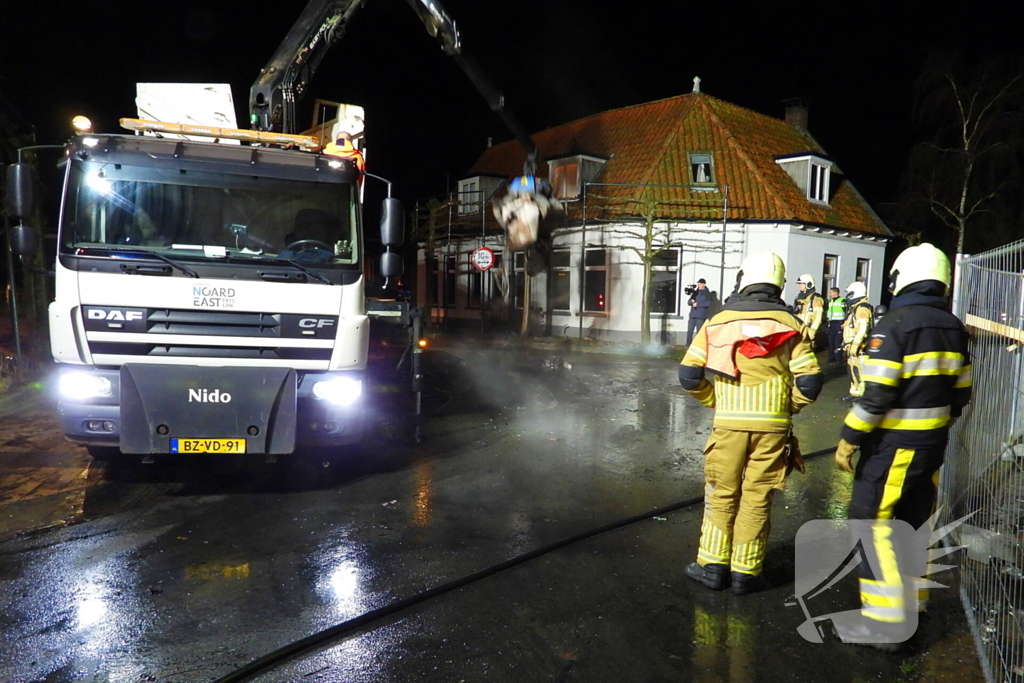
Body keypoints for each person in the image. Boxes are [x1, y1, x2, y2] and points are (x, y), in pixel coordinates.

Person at [833, 243, 972, 649]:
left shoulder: (895, 325)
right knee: (914, 519)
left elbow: (876, 396)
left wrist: (848, 438)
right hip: (933, 443)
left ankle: (885, 622)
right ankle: (913, 601)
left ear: (901, 277)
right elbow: (962, 392)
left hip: (895, 446)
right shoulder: (953, 326)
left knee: (870, 520)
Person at [678, 251, 822, 595]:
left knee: (722, 493)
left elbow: (688, 374)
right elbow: (810, 383)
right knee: (757, 496)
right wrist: (786, 409)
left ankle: (712, 568)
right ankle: (745, 573)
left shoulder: (717, 321)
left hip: (727, 426)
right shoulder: (792, 326)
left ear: (743, 279)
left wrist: (716, 401)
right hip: (772, 429)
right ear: (780, 284)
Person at [842, 281, 874, 400]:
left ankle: (862, 396)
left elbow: (863, 328)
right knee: (852, 370)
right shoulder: (855, 307)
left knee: (860, 371)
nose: (848, 295)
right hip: (852, 346)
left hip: (860, 347)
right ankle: (854, 393)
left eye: (850, 293)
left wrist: (855, 344)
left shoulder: (862, 308)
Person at [793, 274, 825, 347]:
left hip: (808, 331)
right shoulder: (799, 298)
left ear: (809, 284)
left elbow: (818, 318)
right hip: (798, 330)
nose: (799, 286)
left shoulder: (816, 299)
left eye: (801, 284)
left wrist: (812, 332)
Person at [686, 278, 712, 345]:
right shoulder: (695, 292)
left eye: (700, 284)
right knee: (689, 331)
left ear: (704, 284)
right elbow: (689, 302)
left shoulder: (707, 293)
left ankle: (698, 345)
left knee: (699, 332)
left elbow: (708, 303)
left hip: (700, 315)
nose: (699, 285)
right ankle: (688, 344)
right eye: (698, 284)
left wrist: (698, 304)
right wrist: (691, 302)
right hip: (692, 315)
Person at [826, 286, 847, 363]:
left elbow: (847, 312)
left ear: (835, 293)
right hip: (831, 323)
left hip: (839, 323)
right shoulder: (830, 301)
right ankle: (832, 357)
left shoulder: (842, 301)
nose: (829, 294)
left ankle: (838, 358)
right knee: (831, 341)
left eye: (830, 292)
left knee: (838, 342)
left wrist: (845, 322)